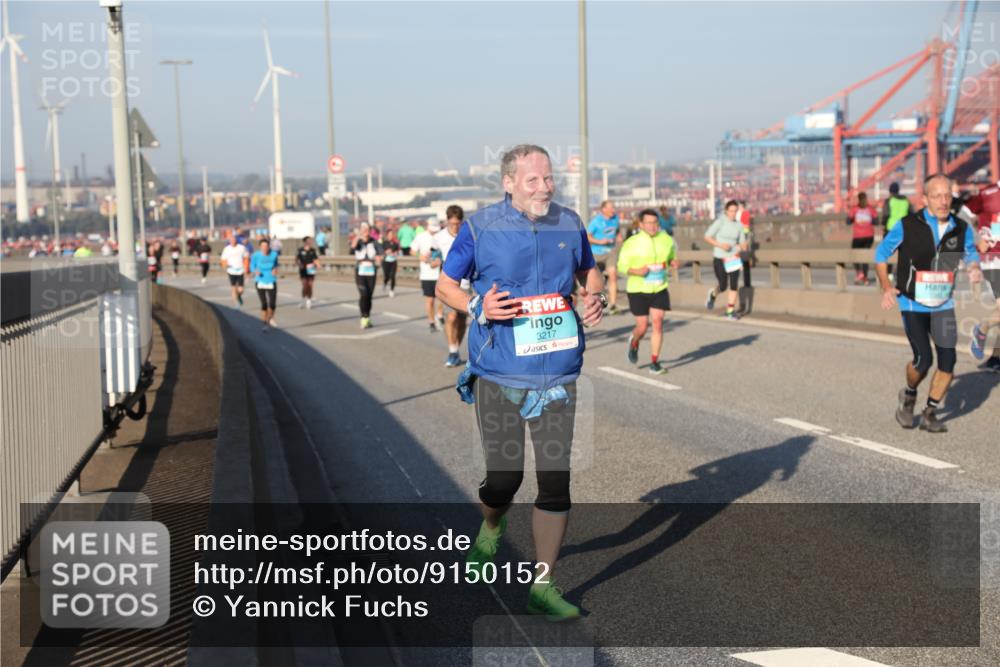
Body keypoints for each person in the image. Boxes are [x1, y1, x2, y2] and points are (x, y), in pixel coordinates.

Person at [435, 144, 605, 621]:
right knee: (504, 481)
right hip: (499, 373)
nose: (544, 188)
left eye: (548, 179)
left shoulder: (568, 222)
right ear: (508, 183)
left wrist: (595, 298)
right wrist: (476, 306)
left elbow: (588, 271)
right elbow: (445, 284)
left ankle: (542, 586)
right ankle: (491, 524)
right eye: (533, 180)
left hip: (557, 373)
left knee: (555, 483)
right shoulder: (480, 227)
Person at [875, 173, 981, 433]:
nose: (944, 201)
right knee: (923, 361)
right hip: (913, 303)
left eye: (947, 195)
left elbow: (970, 251)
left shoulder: (960, 227)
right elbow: (881, 254)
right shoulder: (907, 224)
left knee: (948, 362)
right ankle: (909, 393)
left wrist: (974, 267)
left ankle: (931, 411)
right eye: (937, 196)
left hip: (943, 303)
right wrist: (887, 287)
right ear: (925, 199)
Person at [617, 208, 678, 374]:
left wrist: (673, 262)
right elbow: (621, 266)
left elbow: (672, 255)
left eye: (655, 223)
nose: (652, 226)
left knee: (658, 323)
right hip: (638, 289)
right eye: (649, 223)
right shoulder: (632, 243)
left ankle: (654, 362)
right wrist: (637, 271)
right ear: (641, 224)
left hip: (659, 287)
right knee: (642, 327)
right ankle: (634, 341)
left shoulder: (666, 239)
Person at [960, 179, 1000, 372]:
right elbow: (962, 218)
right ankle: (982, 329)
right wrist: (979, 238)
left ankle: (996, 358)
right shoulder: (987, 193)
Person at [433, 205, 469, 367]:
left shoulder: (468, 235)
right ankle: (452, 351)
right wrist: (433, 260)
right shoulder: (439, 237)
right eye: (452, 223)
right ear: (447, 221)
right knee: (451, 316)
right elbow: (431, 254)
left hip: (467, 283)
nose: (455, 227)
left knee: (462, 320)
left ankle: (455, 349)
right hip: (449, 285)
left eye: (458, 223)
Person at [704, 200, 749, 319]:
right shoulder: (720, 222)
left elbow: (743, 243)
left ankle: (730, 311)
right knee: (723, 285)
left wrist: (742, 246)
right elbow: (707, 236)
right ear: (726, 211)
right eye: (731, 211)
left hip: (733, 258)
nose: (733, 213)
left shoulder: (739, 225)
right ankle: (713, 294)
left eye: (735, 211)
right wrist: (720, 245)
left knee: (734, 285)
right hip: (720, 257)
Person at [587, 200, 622, 315]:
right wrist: (600, 241)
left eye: (613, 208)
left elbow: (617, 231)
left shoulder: (615, 219)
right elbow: (587, 237)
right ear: (603, 209)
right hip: (596, 253)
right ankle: (598, 303)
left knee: (613, 276)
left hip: (610, 252)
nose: (613, 210)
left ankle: (613, 305)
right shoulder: (596, 221)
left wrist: (619, 238)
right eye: (611, 208)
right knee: (597, 282)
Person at [412, 220, 444, 332]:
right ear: (428, 227)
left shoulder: (442, 236)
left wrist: (441, 260)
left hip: (441, 273)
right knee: (430, 300)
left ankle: (439, 316)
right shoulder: (421, 237)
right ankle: (431, 322)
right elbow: (412, 250)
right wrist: (421, 257)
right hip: (427, 274)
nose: (435, 232)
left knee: (443, 298)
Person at [353, 222, 382, 329]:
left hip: (371, 271)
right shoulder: (358, 241)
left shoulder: (374, 242)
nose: (365, 231)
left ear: (370, 231)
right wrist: (358, 236)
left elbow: (380, 254)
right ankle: (363, 317)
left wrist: (379, 260)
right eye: (363, 229)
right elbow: (353, 246)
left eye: (367, 229)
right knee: (363, 294)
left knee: (369, 296)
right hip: (360, 271)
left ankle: (367, 316)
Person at [847, 192, 878, 284]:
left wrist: (854, 219)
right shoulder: (871, 209)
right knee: (865, 257)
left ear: (858, 199)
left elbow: (848, 221)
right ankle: (865, 277)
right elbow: (876, 221)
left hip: (858, 236)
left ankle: (859, 273)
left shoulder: (854, 209)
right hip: (869, 236)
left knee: (854, 254)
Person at [250, 238, 281, 330]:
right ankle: (265, 323)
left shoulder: (274, 254)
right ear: (260, 247)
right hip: (260, 280)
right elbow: (252, 265)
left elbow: (276, 264)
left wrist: (275, 269)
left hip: (271, 280)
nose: (265, 248)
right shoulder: (256, 255)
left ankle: (270, 318)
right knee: (264, 304)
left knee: (272, 304)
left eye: (266, 246)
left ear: (269, 246)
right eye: (263, 246)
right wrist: (255, 271)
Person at [221, 234, 249, 307]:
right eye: (231, 240)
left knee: (241, 289)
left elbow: (246, 257)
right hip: (231, 270)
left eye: (234, 240)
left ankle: (239, 296)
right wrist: (225, 264)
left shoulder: (242, 248)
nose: (233, 241)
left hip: (240, 270)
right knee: (233, 288)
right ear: (229, 241)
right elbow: (223, 259)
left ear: (236, 240)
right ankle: (236, 303)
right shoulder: (227, 249)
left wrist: (246, 268)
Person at [296, 236, 320, 309]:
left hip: (311, 268)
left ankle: (309, 300)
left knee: (310, 285)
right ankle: (303, 299)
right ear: (305, 242)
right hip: (303, 269)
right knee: (305, 285)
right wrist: (300, 265)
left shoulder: (313, 250)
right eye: (308, 240)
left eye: (311, 240)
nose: (310, 242)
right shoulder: (300, 250)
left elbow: (315, 259)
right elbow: (296, 259)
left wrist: (318, 264)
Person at [737, 201, 753, 289]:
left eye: (739, 206)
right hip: (739, 233)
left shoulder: (745, 213)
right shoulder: (737, 213)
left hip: (744, 232)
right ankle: (741, 263)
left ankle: (746, 263)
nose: (738, 207)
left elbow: (746, 224)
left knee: (744, 248)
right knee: (739, 249)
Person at [380, 229, 400, 297]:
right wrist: (386, 252)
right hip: (386, 262)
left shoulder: (395, 243)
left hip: (393, 261)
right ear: (387, 235)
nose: (391, 236)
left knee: (393, 276)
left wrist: (395, 253)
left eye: (392, 234)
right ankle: (385, 283)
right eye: (390, 234)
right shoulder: (384, 243)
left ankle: (392, 290)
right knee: (387, 276)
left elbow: (398, 252)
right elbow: (381, 252)